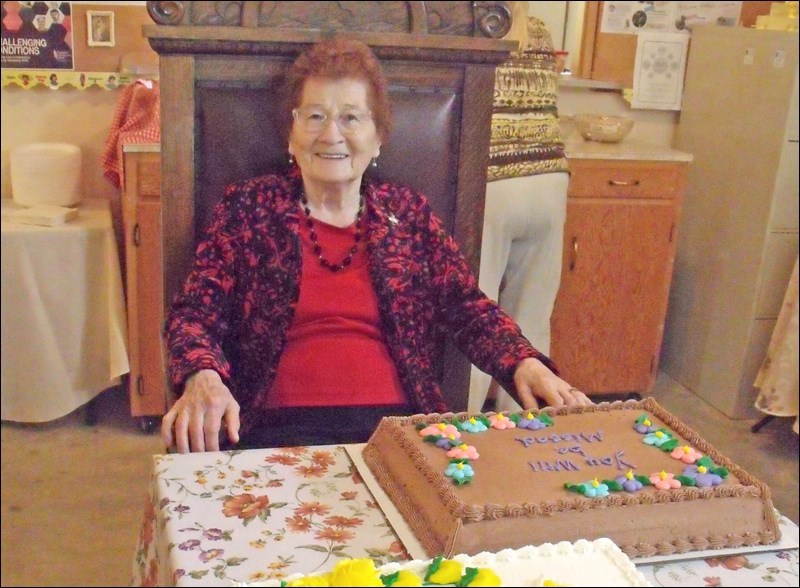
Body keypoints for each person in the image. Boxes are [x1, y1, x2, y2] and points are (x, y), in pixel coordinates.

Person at [161, 37, 591, 454]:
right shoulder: (247, 209)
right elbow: (195, 312)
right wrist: (203, 374)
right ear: (290, 136)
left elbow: (466, 307)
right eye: (314, 116)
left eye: (351, 117)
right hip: (276, 428)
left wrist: (523, 361)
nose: (331, 135)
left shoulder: (408, 213)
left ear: (378, 137)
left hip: (396, 428)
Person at [468, 5, 571, 414]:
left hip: (493, 181)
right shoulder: (538, 31)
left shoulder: (475, 27)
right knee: (533, 319)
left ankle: (462, 426)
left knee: (477, 316)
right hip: (549, 182)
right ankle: (528, 432)